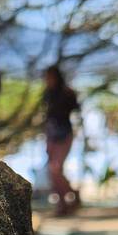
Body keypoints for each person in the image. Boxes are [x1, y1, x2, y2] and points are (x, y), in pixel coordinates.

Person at [43, 65, 81, 215]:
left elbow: (77, 112)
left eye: (50, 77)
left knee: (56, 168)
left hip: (65, 133)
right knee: (52, 172)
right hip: (51, 135)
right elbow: (46, 118)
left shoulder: (67, 93)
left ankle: (72, 195)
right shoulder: (47, 94)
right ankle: (62, 204)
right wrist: (46, 139)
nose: (48, 80)